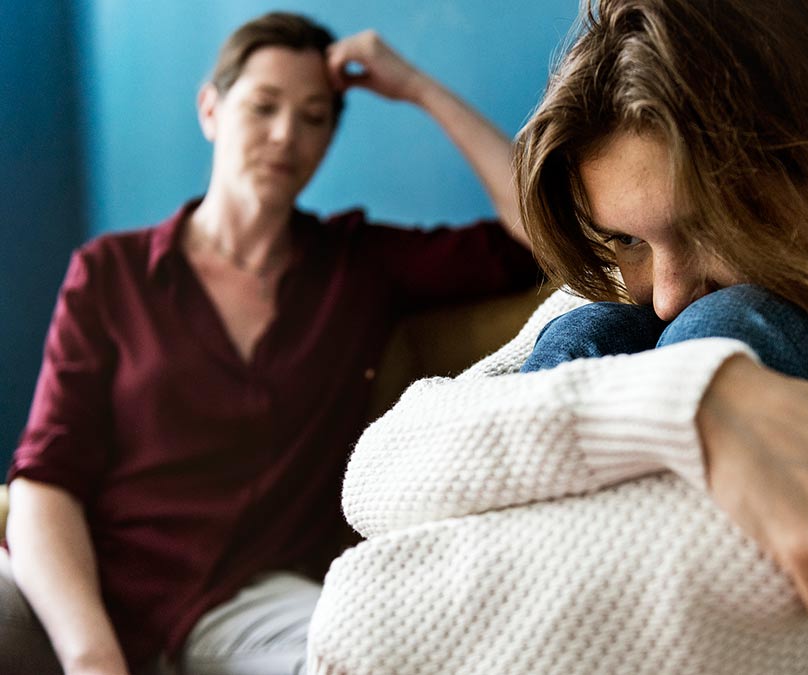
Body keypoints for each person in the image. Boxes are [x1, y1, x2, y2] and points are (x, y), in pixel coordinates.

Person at [307, 0, 808, 673]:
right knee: (599, 327)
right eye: (628, 241)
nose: (668, 292)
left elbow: (695, 589)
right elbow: (381, 467)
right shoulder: (637, 278)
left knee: (733, 331)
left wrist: (356, 608)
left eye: (712, 224)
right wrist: (691, 402)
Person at [1, 11, 537, 675]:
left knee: (368, 653)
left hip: (247, 606)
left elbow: (538, 234)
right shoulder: (110, 272)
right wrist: (91, 654)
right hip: (81, 582)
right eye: (264, 106)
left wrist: (417, 87)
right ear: (210, 109)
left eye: (315, 117)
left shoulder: (357, 265)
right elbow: (46, 478)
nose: (287, 135)